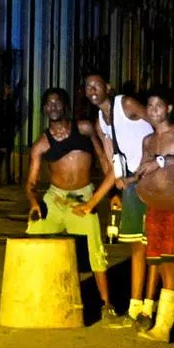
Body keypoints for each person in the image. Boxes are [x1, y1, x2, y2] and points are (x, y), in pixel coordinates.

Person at [25, 87, 131, 326]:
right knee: (33, 237)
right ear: (44, 109)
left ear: (66, 106)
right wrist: (34, 203)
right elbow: (31, 183)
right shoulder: (41, 144)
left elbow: (104, 160)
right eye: (48, 104)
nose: (53, 107)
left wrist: (112, 193)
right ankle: (34, 296)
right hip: (55, 197)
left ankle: (106, 305)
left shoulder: (83, 128)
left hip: (83, 197)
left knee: (96, 251)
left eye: (57, 103)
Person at [85, 72, 154, 324]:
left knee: (161, 246)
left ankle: (166, 302)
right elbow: (110, 161)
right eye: (87, 86)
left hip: (154, 178)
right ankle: (136, 307)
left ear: (108, 87)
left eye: (96, 84)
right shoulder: (101, 121)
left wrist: (152, 160)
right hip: (132, 183)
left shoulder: (126, 104)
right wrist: (115, 192)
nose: (92, 89)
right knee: (138, 244)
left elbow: (159, 124)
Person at [131, 88, 174, 343]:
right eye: (149, 106)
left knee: (172, 263)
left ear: (169, 108)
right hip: (154, 206)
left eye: (158, 105)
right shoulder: (148, 140)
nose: (153, 110)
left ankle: (165, 328)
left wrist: (163, 161)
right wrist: (130, 180)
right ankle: (170, 324)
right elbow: (142, 168)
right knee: (159, 262)